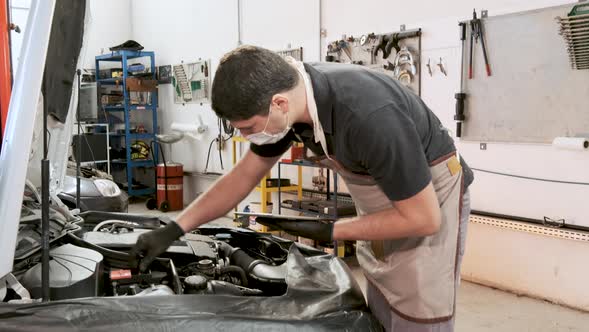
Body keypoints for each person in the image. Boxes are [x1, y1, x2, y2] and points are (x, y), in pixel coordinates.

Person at [131, 45, 474, 332]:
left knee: (419, 307)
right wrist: (175, 228)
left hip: (429, 199)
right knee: (384, 291)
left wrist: (331, 229)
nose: (249, 137)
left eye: (249, 127)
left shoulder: (369, 116)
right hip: (384, 200)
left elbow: (424, 219)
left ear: (278, 103)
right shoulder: (294, 103)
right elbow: (242, 177)